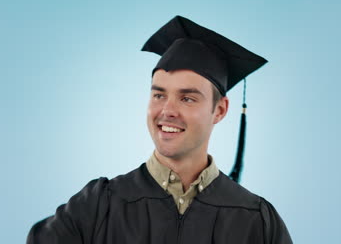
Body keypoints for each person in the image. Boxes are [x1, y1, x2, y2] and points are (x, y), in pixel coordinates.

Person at [26, 16, 293, 244]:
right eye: (158, 95)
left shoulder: (256, 220)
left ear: (220, 110)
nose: (168, 110)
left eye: (187, 98)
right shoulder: (98, 205)